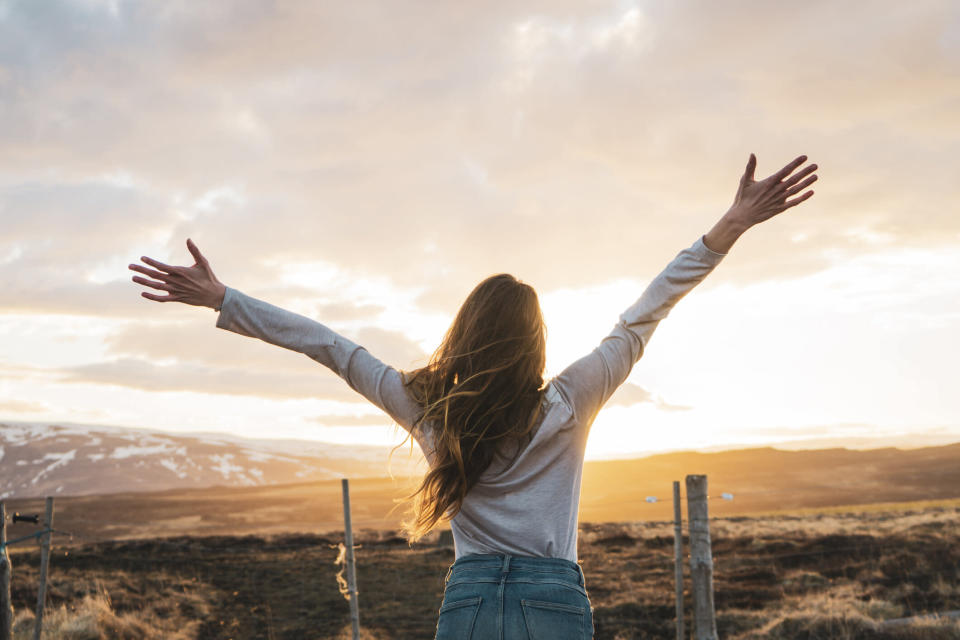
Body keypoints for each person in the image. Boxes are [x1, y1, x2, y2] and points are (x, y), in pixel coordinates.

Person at [129, 153, 817, 639]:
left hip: (469, 598)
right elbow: (646, 310)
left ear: (464, 333)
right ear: (535, 343)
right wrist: (729, 227)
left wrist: (225, 299)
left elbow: (330, 346)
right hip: (553, 599)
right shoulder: (573, 398)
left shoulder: (430, 410)